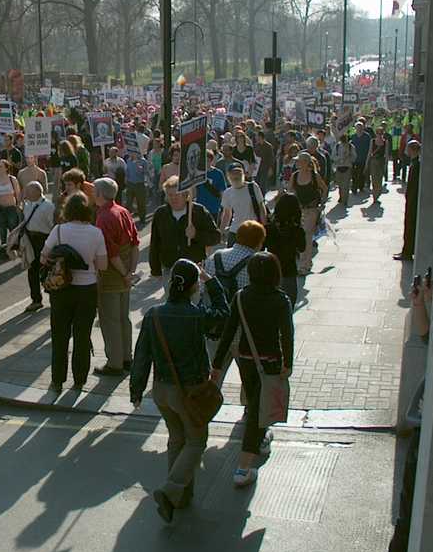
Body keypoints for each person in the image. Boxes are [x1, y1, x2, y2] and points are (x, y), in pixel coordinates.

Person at [130, 259, 229, 522]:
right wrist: (213, 281)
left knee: (176, 439)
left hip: (162, 390)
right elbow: (223, 313)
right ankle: (170, 490)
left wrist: (136, 390)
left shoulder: (153, 314)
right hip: (191, 392)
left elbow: (142, 355)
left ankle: (181, 497)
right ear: (194, 285)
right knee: (196, 441)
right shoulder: (197, 315)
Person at [362, 273, 431, 552]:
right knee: (410, 491)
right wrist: (420, 303)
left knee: (412, 493)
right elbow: (426, 333)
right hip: (425, 417)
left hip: (430, 417)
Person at [211, 252, 294, 487]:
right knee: (258, 413)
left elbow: (228, 332)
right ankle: (243, 468)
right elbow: (287, 334)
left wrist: (217, 364)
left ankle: (261, 440)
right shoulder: (281, 300)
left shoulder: (240, 297)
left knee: (256, 405)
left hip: (246, 360)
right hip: (270, 362)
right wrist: (288, 363)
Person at [41, 193, 108, 393]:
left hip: (62, 289)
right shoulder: (96, 233)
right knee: (82, 335)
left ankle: (57, 381)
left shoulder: (59, 230)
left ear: (67, 210)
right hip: (87, 289)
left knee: (59, 335)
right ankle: (79, 380)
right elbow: (102, 265)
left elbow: (44, 258)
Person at [93, 178, 139, 377]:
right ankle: (127, 357)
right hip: (126, 271)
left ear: (100, 194)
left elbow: (110, 253)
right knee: (123, 318)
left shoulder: (103, 217)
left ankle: (115, 363)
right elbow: (135, 243)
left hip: (113, 275)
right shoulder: (124, 211)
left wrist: (123, 273)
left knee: (110, 320)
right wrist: (131, 272)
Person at [149, 176, 220, 290]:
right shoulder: (161, 214)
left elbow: (216, 237)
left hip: (195, 267)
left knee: (194, 303)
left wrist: (196, 234)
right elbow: (155, 243)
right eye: (170, 195)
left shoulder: (198, 211)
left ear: (186, 195)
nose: (173, 198)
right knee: (172, 304)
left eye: (177, 195)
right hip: (170, 268)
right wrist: (155, 269)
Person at [265, 193, 306, 306]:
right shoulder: (297, 230)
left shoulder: (269, 228)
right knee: (289, 305)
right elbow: (302, 248)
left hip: (272, 270)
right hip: (289, 270)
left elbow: (262, 247)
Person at [290, 151, 327, 275]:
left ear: (306, 163)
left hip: (312, 209)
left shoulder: (314, 176)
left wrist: (322, 204)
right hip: (299, 210)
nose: (297, 163)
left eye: (299, 161)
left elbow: (324, 188)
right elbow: (290, 191)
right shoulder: (294, 176)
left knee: (307, 235)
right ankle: (307, 261)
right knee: (301, 235)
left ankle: (303, 266)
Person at [21, 182, 55, 312]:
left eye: (28, 191)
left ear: (36, 192)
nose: (26, 193)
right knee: (32, 270)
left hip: (44, 240)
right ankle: (36, 300)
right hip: (31, 240)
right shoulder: (27, 205)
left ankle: (53, 297)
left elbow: (52, 226)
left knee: (47, 270)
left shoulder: (48, 206)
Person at [220, 161, 267, 246]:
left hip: (252, 229)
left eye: (239, 172)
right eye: (233, 173)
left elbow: (261, 208)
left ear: (243, 174)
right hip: (235, 231)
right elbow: (227, 214)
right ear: (228, 176)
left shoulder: (253, 187)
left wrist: (264, 227)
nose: (236, 176)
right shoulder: (227, 192)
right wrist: (221, 230)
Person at [394, 140, 422, 261]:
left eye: (407, 148)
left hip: (413, 201)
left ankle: (407, 252)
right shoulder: (414, 163)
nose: (406, 150)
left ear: (412, 149)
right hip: (411, 199)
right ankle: (407, 250)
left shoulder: (416, 165)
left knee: (410, 225)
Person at [0, 160, 21, 260]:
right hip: (0, 208)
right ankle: (3, 252)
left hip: (11, 208)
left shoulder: (12, 179)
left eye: (0, 166)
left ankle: (13, 250)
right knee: (2, 231)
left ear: (6, 168)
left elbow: (17, 194)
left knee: (13, 230)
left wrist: (19, 205)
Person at [195, 150, 228, 222]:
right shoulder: (197, 173)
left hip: (214, 207)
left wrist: (223, 207)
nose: (206, 163)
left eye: (208, 160)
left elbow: (222, 192)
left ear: (211, 161)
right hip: (199, 207)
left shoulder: (218, 173)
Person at [124, 150, 149, 225]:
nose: (131, 154)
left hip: (140, 184)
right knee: (128, 202)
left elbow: (147, 172)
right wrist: (126, 178)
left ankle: (142, 218)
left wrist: (141, 169)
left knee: (141, 202)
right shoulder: (128, 160)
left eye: (133, 152)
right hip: (130, 184)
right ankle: (127, 219)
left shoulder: (143, 161)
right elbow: (127, 171)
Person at [333, 134, 357, 207]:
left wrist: (349, 157)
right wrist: (339, 158)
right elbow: (333, 156)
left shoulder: (350, 147)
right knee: (340, 185)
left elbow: (354, 157)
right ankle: (341, 196)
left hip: (347, 167)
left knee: (346, 185)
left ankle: (345, 200)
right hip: (339, 167)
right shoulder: (337, 146)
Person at [366, 128, 389, 204]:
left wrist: (386, 164)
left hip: (381, 162)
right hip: (373, 161)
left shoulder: (386, 142)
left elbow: (386, 154)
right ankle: (375, 196)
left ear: (383, 134)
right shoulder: (372, 141)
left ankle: (377, 193)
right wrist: (366, 163)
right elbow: (369, 152)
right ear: (376, 134)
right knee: (374, 178)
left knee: (379, 179)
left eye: (381, 133)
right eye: (378, 133)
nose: (379, 135)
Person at [350, 122, 372, 194]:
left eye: (360, 127)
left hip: (363, 158)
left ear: (363, 128)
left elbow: (370, 147)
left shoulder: (367, 136)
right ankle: (354, 187)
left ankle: (361, 186)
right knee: (354, 174)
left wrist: (369, 158)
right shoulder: (353, 136)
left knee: (361, 174)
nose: (359, 129)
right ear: (355, 128)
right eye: (357, 128)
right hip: (354, 159)